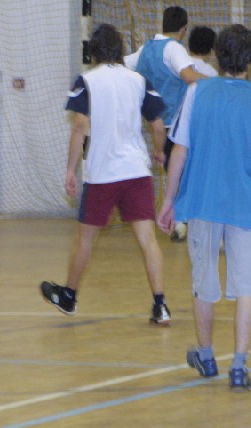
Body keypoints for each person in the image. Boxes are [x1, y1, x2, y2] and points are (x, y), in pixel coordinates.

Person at [157, 24, 251, 391]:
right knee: (247, 285)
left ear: (217, 54)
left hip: (203, 199)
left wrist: (168, 199)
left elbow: (179, 151)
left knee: (204, 281)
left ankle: (207, 355)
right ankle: (240, 366)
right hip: (246, 202)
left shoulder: (196, 92)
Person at [40, 23, 172, 326]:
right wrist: (159, 151)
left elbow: (79, 126)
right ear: (120, 48)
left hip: (102, 174)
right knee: (147, 239)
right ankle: (160, 305)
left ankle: (69, 296)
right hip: (136, 171)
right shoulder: (139, 80)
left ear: (94, 51)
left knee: (85, 238)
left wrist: (70, 169)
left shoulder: (86, 81)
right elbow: (157, 125)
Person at [124, 6, 207, 167]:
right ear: (184, 28)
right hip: (177, 126)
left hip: (158, 123)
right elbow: (189, 76)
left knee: (173, 174)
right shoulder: (174, 48)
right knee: (184, 176)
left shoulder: (146, 48)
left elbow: (123, 64)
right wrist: (217, 81)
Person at [170, 25, 217, 241]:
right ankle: (199, 221)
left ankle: (179, 223)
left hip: (176, 130)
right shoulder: (211, 74)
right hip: (201, 134)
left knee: (180, 177)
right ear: (212, 48)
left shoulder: (180, 66)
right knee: (199, 179)